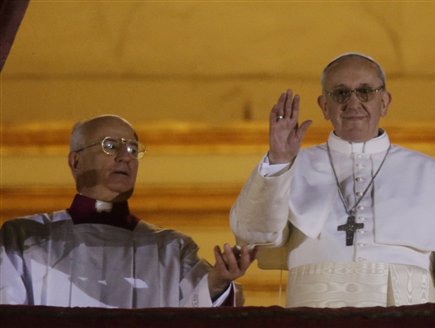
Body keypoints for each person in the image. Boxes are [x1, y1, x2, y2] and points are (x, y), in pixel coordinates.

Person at [230, 52, 435, 308]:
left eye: (365, 91)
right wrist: (278, 162)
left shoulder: (434, 175)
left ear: (385, 102)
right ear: (324, 106)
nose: (353, 102)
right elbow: (256, 236)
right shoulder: (291, 166)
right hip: (313, 316)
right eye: (341, 93)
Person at [0, 114, 253, 308]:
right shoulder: (24, 238)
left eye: (133, 149)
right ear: (75, 161)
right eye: (110, 146)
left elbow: (199, 307)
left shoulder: (171, 249)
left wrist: (219, 281)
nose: (125, 156)